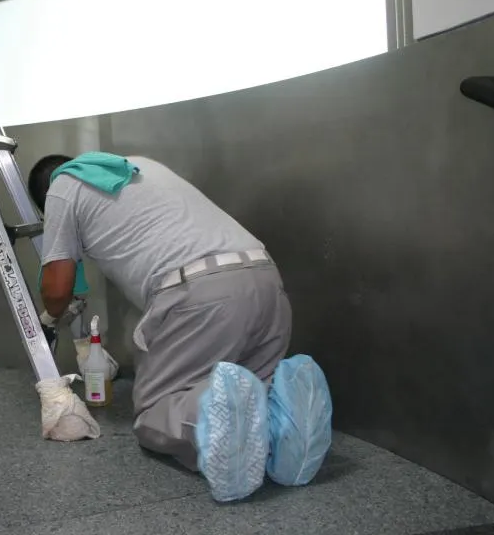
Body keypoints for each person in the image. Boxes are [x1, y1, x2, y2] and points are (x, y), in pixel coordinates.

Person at [29, 151, 332, 502]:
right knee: (249, 385)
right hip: (265, 280)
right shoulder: (140, 166)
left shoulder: (63, 188)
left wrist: (50, 318)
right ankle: (289, 421)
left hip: (202, 294)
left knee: (157, 411)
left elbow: (57, 288)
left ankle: (219, 436)